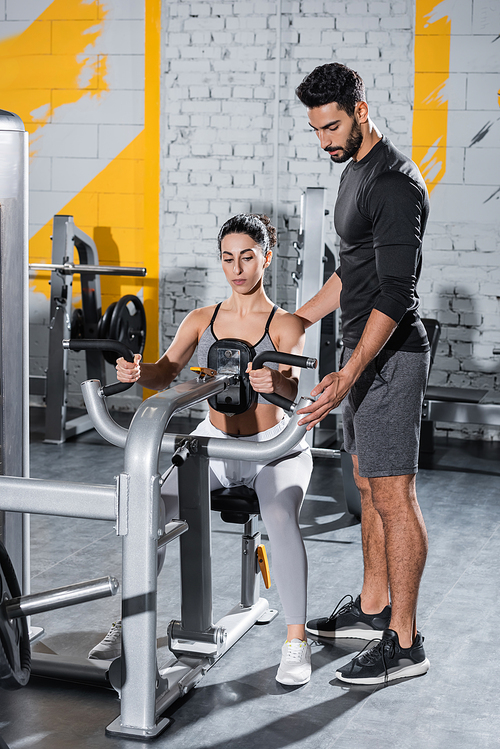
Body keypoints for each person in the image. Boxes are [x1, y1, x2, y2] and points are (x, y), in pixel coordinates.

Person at [88, 214, 313, 686]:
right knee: (150, 509)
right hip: (214, 446)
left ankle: (296, 640)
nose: (238, 268)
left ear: (266, 258)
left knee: (278, 514)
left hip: (274, 449)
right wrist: (137, 372)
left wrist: (276, 382)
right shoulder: (202, 319)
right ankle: (128, 624)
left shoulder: (286, 324)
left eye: (247, 257)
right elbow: (164, 372)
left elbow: (294, 391)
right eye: (229, 258)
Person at [294, 63, 431, 685]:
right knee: (368, 484)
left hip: (391, 358)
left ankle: (404, 643)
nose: (326, 140)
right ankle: (374, 607)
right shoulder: (353, 173)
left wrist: (349, 373)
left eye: (334, 125)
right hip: (363, 355)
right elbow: (354, 271)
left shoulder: (395, 183)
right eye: (317, 129)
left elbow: (397, 293)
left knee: (394, 495)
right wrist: (300, 317)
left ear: (362, 108)